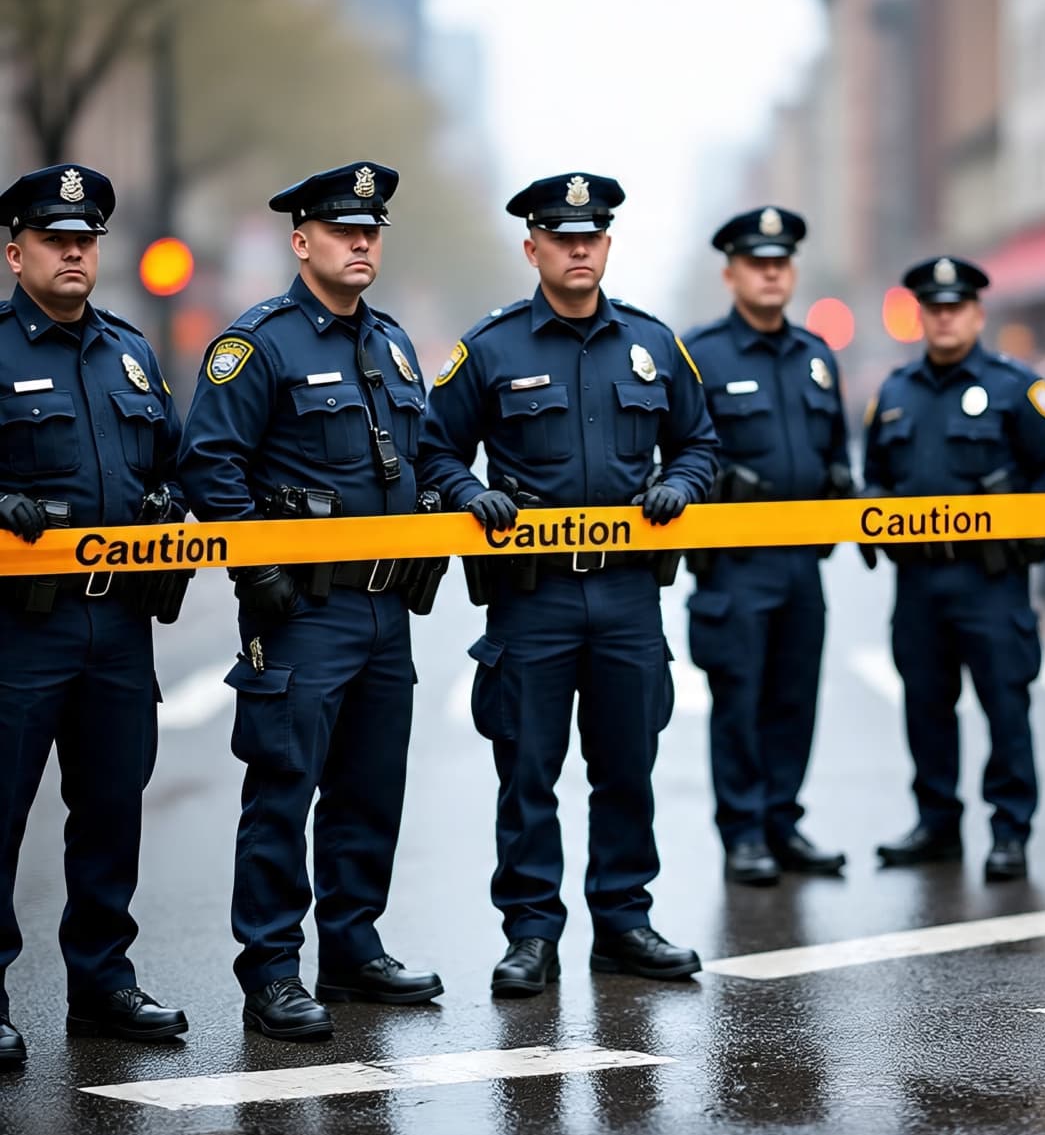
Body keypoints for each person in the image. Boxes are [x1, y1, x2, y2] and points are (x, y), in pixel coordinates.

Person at [422, 172, 718, 997]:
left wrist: (683, 484)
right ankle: (531, 935)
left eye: (591, 237)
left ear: (608, 247)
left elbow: (700, 440)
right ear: (534, 248)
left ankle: (624, 921)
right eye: (562, 237)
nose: (578, 248)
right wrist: (466, 492)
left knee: (627, 766)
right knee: (528, 773)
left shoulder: (655, 345)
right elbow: (434, 448)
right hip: (533, 596)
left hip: (627, 596)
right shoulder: (491, 348)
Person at [179, 162, 445, 1040]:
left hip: (383, 612)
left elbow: (422, 449)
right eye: (343, 230)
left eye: (371, 230)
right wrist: (259, 574)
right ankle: (271, 971)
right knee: (284, 793)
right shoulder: (259, 343)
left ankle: (353, 948)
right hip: (302, 613)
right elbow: (208, 462)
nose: (362, 242)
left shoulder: (395, 343)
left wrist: (448, 501)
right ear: (302, 242)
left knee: (371, 792)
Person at [0, 165, 189, 1066]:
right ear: (15, 252)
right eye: (54, 239)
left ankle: (104, 983)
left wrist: (169, 505)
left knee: (110, 809)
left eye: (85, 241)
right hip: (19, 628)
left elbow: (178, 462)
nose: (74, 252)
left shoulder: (130, 352)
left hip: (120, 628)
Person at [864, 257, 1045, 881]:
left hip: (992, 582)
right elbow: (875, 474)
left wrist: (1020, 532)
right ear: (921, 316)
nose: (945, 317)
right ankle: (937, 823)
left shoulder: (1017, 387)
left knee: (1005, 707)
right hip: (919, 584)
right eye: (934, 308)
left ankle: (1009, 830)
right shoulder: (895, 390)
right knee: (926, 706)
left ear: (978, 314)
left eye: (956, 307)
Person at [682, 206, 850, 886]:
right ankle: (744, 829)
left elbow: (834, 445)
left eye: (781, 262)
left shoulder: (815, 355)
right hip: (735, 563)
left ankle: (782, 820)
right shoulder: (700, 353)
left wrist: (841, 483)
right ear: (730, 273)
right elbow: (678, 450)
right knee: (740, 699)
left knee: (793, 697)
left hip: (801, 563)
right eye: (758, 262)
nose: (772, 272)